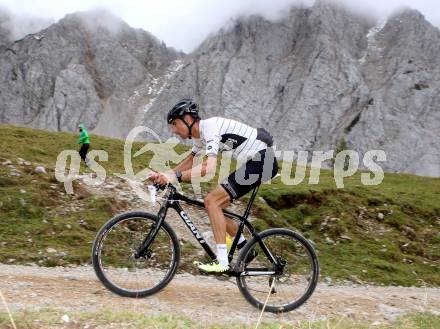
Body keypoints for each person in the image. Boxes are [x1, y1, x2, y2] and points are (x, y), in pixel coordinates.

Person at [148, 99, 278, 273]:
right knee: (215, 207)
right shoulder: (200, 137)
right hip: (256, 162)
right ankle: (245, 248)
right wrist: (166, 175)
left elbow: (208, 168)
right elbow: (191, 160)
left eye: (174, 124)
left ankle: (222, 262)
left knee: (212, 201)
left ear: (187, 118)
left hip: (262, 162)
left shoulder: (210, 127)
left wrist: (175, 177)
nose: (173, 130)